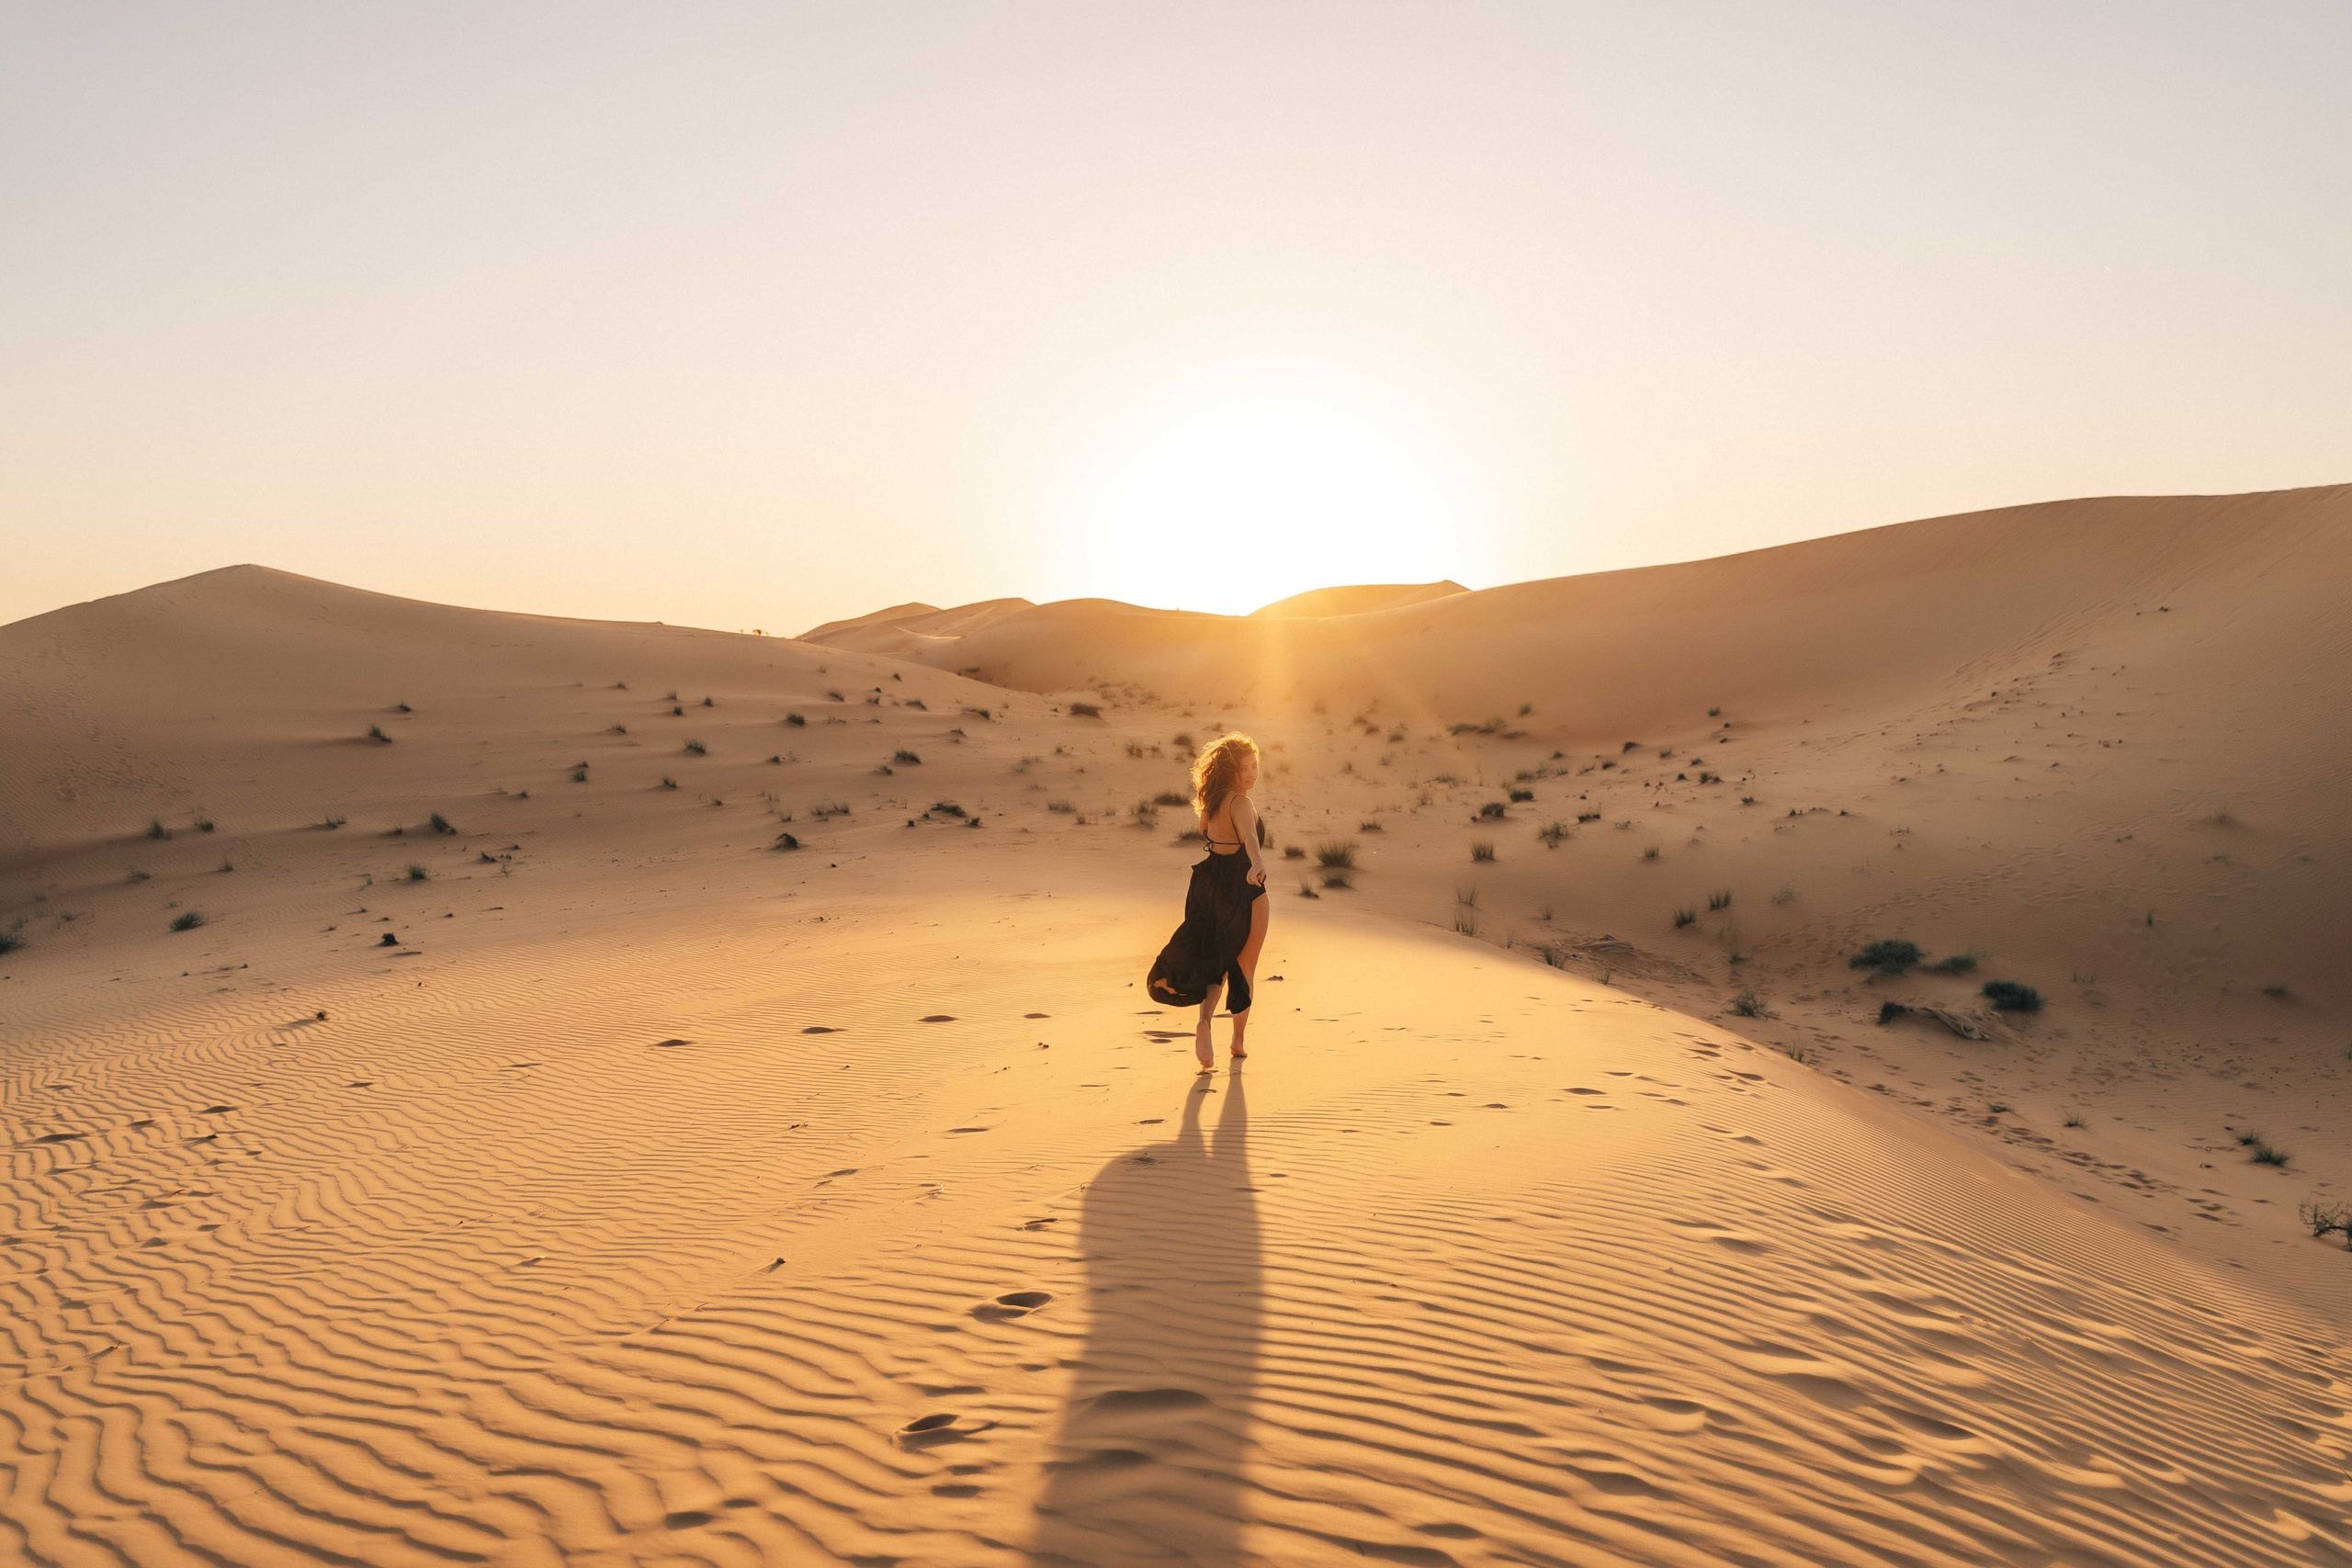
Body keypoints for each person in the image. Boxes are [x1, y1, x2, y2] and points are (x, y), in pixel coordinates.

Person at [1145, 733, 1271, 1071]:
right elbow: (1249, 836)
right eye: (1245, 768)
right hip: (1243, 884)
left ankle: (1205, 1022)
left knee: (1216, 962)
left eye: (1255, 766)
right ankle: (1238, 1040)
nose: (1252, 774)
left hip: (1207, 884)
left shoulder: (1211, 802)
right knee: (1244, 966)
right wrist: (1256, 863)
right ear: (1230, 770)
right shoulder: (1241, 803)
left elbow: (1209, 832)